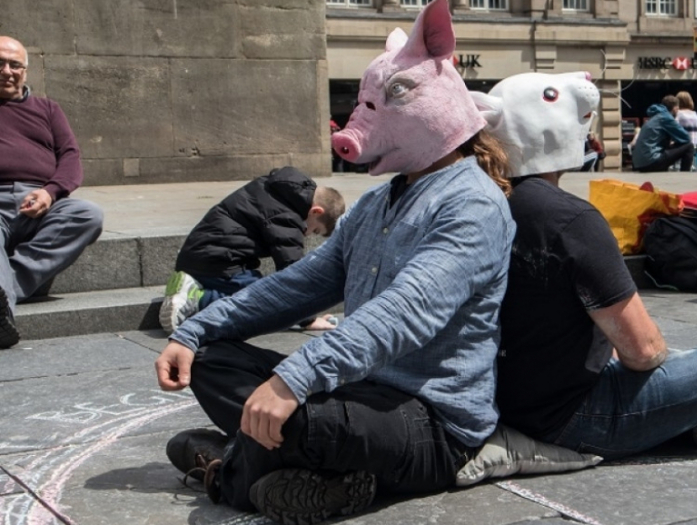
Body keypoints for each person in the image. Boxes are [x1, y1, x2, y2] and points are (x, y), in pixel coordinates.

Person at [154, 2, 516, 524]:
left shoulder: (473, 204)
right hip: (357, 386)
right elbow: (300, 285)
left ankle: (228, 471)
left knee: (306, 420)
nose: (359, 127)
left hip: (432, 421)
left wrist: (294, 378)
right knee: (213, 361)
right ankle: (314, 471)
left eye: (384, 102)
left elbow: (407, 310)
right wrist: (194, 332)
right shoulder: (375, 203)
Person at [473, 71, 697, 462]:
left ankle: (694, 422)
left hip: (502, 401)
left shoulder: (481, 200)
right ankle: (696, 419)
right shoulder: (571, 219)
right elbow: (644, 352)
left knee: (660, 362)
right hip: (572, 416)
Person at [0, 36, 104, 349]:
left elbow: (70, 156)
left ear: (25, 72)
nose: (6, 70)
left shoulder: (47, 109)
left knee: (88, 214)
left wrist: (50, 192)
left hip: (42, 201)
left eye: (14, 64)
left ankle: (5, 294)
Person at [158, 166, 346, 333]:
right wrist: (307, 319)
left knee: (254, 281)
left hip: (201, 255)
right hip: (218, 262)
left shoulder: (277, 188)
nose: (307, 234)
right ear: (316, 212)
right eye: (315, 230)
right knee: (259, 300)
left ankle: (188, 283)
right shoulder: (287, 218)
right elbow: (293, 274)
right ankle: (198, 298)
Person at [631, 95, 694, 173]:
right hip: (651, 161)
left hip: (639, 163)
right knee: (689, 146)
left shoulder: (654, 117)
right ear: (675, 109)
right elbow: (686, 138)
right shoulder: (666, 117)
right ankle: (685, 175)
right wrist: (676, 141)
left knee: (666, 148)